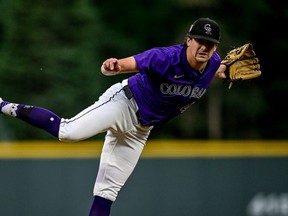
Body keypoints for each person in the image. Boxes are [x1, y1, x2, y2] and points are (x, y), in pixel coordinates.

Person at [0, 17, 227, 215]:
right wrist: (115, 65)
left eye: (211, 43)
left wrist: (225, 72)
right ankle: (3, 105)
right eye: (200, 40)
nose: (205, 47)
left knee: (107, 192)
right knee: (67, 132)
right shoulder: (165, 57)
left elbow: (214, 70)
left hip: (141, 131)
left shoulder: (213, 64)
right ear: (189, 40)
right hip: (124, 104)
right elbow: (129, 64)